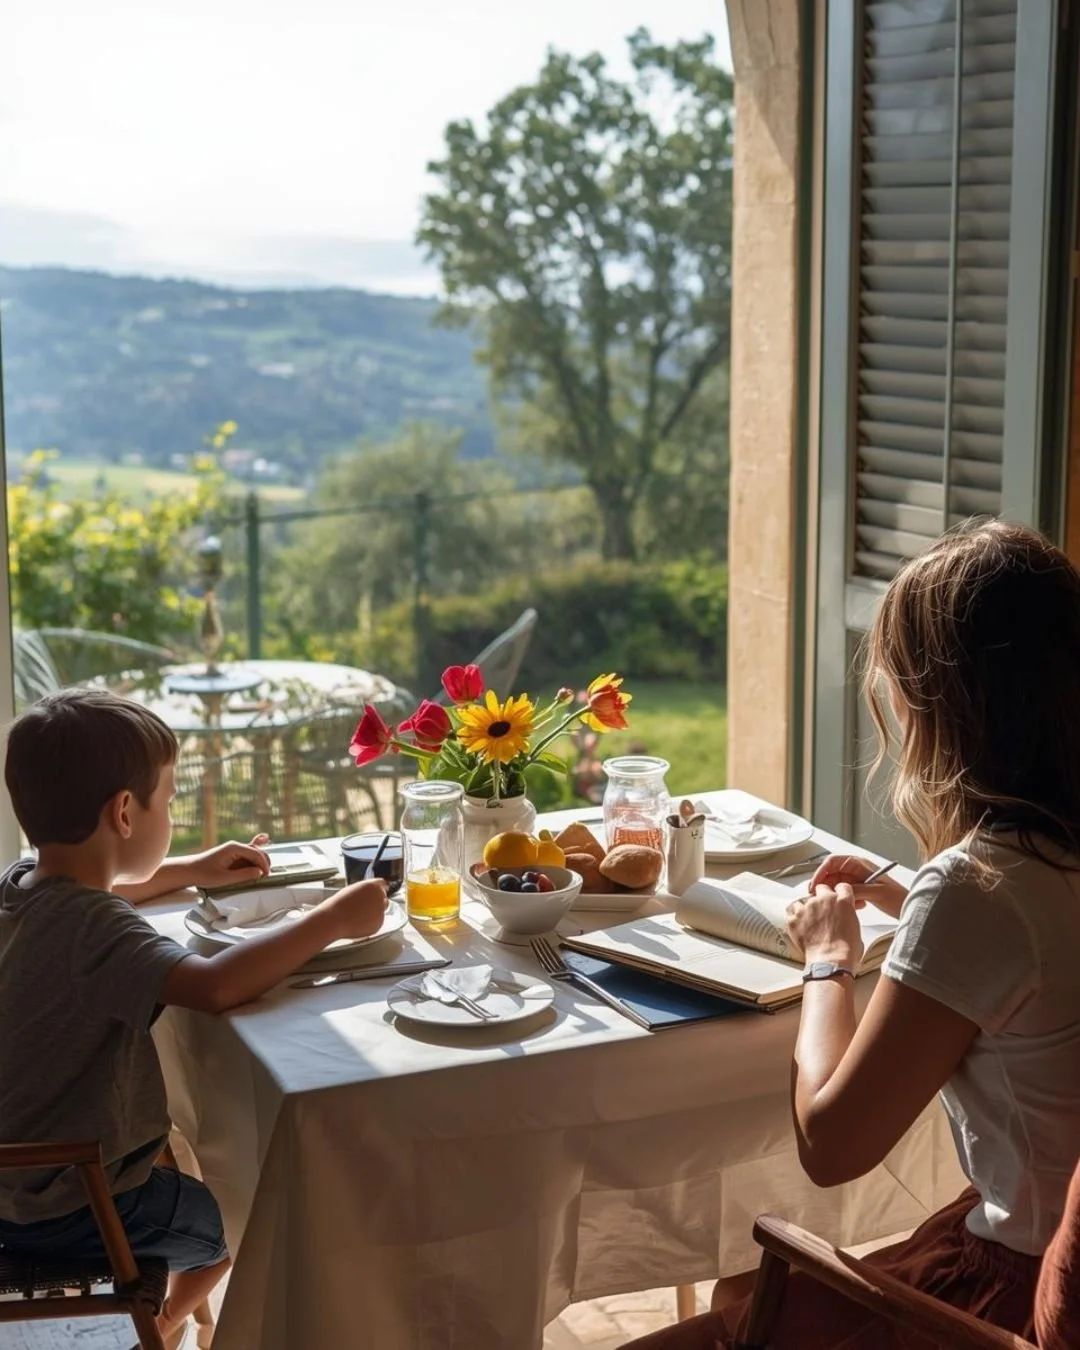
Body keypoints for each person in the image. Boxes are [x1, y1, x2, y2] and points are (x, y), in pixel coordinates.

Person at [623, 520, 1080, 1349]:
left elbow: (832, 1147)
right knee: (740, 1284)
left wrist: (827, 961)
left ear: (938, 705)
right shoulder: (1040, 864)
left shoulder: (980, 888)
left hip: (1011, 1299)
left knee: (716, 1318)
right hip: (1054, 1263)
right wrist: (918, 906)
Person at [0, 687, 388, 1350]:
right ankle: (153, 1327)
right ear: (125, 812)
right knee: (242, 1219)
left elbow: (109, 885)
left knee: (187, 1162)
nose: (173, 813)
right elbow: (213, 986)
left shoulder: (21, 884)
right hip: (64, 1208)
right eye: (171, 798)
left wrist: (197, 869)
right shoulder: (99, 931)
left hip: (15, 1183)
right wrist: (332, 920)